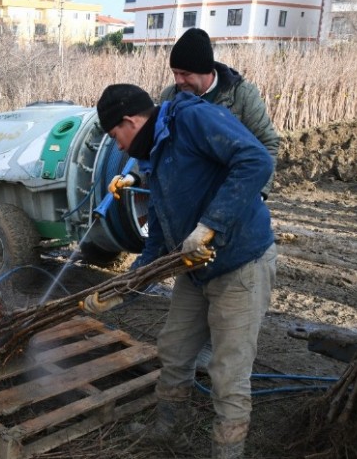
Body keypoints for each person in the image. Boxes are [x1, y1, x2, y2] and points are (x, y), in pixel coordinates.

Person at [90, 84, 277, 459]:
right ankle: (167, 431)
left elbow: (257, 160)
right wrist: (126, 285)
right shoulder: (152, 153)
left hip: (240, 263)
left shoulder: (192, 118)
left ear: (130, 121)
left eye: (116, 137)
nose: (120, 147)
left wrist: (210, 225)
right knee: (174, 350)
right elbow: (159, 231)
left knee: (228, 374)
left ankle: (227, 453)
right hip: (196, 270)